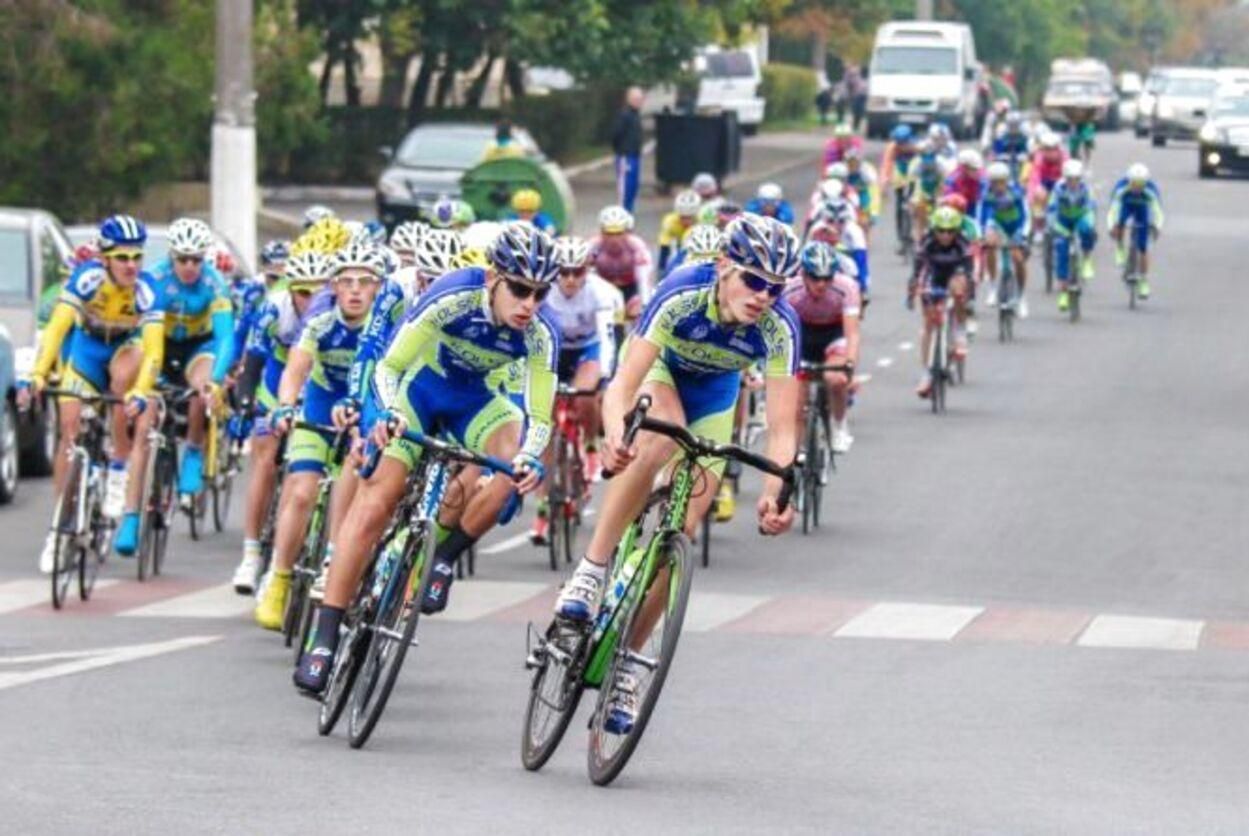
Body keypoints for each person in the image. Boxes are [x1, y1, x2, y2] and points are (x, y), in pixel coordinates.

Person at [552, 213, 800, 734]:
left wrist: (776, 492)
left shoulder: (780, 327)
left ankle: (624, 665)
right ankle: (591, 571)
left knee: (684, 529)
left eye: (775, 288)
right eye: (753, 280)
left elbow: (781, 428)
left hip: (716, 394)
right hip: (661, 372)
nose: (762, 296)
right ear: (723, 267)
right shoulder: (681, 292)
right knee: (662, 435)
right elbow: (621, 385)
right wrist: (616, 431)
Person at [293, 223, 561, 694]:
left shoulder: (540, 333)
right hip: (417, 390)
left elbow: (540, 414)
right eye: (520, 289)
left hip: (475, 402)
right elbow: (390, 366)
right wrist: (389, 414)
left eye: (541, 294)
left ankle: (444, 558)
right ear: (494, 276)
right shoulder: (452, 295)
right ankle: (325, 635)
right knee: (379, 499)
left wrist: (530, 458)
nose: (529, 305)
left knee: (510, 467)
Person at [253, 242, 386, 629]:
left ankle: (333, 558)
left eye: (365, 282)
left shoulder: (384, 330)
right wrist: (286, 406)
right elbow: (296, 369)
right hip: (320, 403)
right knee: (299, 490)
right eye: (347, 282)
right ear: (334, 289)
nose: (356, 290)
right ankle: (278, 577)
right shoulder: (321, 324)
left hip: (363, 409)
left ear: (378, 288)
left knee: (354, 472)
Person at [21, 215, 164, 572]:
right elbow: (57, 328)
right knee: (69, 432)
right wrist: (38, 374)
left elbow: (154, 350)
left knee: (121, 383)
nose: (131, 265)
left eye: (137, 257)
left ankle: (118, 464)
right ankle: (60, 527)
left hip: (124, 349)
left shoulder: (147, 289)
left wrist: (142, 391)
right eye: (123, 258)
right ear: (105, 258)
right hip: (87, 350)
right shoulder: (87, 279)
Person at [135, 219, 234, 552]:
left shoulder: (214, 283)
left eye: (197, 259)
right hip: (160, 345)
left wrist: (216, 380)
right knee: (147, 396)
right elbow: (138, 333)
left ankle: (193, 450)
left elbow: (225, 338)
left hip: (198, 347)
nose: (190, 266)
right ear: (172, 257)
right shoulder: (154, 279)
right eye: (183, 259)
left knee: (200, 387)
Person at [530, 237, 611, 544]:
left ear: (587, 269)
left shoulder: (599, 292)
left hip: (586, 352)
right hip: (554, 351)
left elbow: (607, 337)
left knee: (586, 395)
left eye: (577, 272)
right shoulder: (544, 292)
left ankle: (590, 446)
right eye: (563, 272)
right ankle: (542, 505)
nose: (570, 280)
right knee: (545, 427)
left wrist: (605, 373)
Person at [785, 242, 861, 454]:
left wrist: (850, 366)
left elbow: (852, 333)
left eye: (827, 277)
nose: (821, 283)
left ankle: (839, 425)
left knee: (836, 379)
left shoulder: (847, 288)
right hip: (803, 335)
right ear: (803, 273)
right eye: (815, 277)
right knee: (797, 401)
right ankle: (794, 455)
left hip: (833, 335)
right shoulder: (791, 289)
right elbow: (781, 333)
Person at [909, 206, 974, 398]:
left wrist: (966, 293)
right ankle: (926, 372)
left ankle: (960, 332)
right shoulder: (927, 242)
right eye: (941, 231)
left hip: (955, 274)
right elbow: (917, 271)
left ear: (956, 231)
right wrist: (914, 288)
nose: (945, 235)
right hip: (935, 275)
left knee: (958, 287)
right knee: (928, 323)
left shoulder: (963, 244)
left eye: (950, 231)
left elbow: (969, 274)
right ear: (934, 229)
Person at [978, 161, 1032, 316]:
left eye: (1001, 182)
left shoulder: (1016, 192)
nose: (998, 186)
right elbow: (982, 215)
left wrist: (1024, 235)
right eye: (994, 182)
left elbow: (1026, 215)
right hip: (998, 226)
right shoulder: (986, 194)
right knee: (990, 245)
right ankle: (993, 288)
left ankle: (1021, 297)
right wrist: (982, 233)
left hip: (1016, 228)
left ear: (1007, 180)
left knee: (1018, 258)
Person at [1048, 159, 1098, 313]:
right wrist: (1053, 227)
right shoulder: (1058, 188)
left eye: (1076, 178)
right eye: (1070, 179)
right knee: (1062, 250)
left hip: (1080, 219)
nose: (1073, 182)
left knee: (1087, 231)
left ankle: (1087, 259)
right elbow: (1052, 209)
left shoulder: (1086, 189)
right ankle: (1063, 292)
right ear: (1065, 178)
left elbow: (1091, 208)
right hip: (1063, 221)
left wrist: (1089, 225)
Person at [1106, 163, 1163, 299]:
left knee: (1143, 248)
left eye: (1140, 184)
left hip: (1142, 210)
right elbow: (1113, 209)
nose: (1137, 187)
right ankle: (1120, 248)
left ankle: (1143, 280)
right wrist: (1111, 226)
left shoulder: (1150, 190)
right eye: (1134, 183)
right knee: (1120, 222)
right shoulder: (1121, 188)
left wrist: (1156, 226)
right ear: (1129, 181)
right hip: (1126, 205)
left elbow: (1158, 211)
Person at [589, 205, 652, 321]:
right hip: (605, 289)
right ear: (601, 232)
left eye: (619, 233)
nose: (614, 239)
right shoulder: (593, 246)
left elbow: (644, 280)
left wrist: (644, 305)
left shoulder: (636, 246)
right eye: (609, 233)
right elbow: (587, 277)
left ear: (627, 232)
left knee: (638, 314)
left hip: (631, 289)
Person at [612, 87, 645, 212]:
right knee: (625, 189)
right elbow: (616, 134)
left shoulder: (636, 115)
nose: (638, 101)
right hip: (625, 157)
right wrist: (621, 150)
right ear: (629, 99)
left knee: (633, 188)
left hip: (635, 156)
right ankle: (622, 215)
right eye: (635, 98)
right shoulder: (624, 115)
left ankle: (629, 213)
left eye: (640, 99)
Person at [657, 189, 702, 275]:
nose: (686, 221)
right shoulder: (669, 221)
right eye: (683, 217)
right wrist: (661, 269)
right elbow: (664, 247)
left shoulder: (701, 221)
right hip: (678, 245)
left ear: (695, 215)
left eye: (689, 217)